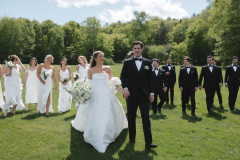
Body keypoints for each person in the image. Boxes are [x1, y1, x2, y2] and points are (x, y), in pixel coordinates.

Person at [72, 51, 128, 153]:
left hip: (107, 94)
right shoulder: (91, 70)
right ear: (95, 58)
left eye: (103, 56)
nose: (102, 58)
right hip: (95, 94)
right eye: (100, 56)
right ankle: (95, 133)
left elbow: (112, 82)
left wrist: (121, 91)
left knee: (107, 112)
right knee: (94, 113)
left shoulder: (108, 68)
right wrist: (83, 93)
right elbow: (88, 84)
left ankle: (106, 133)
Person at [120, 41, 158, 149]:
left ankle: (149, 142)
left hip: (144, 95)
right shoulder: (127, 62)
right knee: (131, 118)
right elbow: (123, 77)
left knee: (146, 118)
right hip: (131, 95)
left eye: (138, 48)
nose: (136, 50)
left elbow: (151, 79)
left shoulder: (148, 62)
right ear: (133, 50)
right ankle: (132, 140)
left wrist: (151, 93)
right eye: (135, 48)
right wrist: (125, 88)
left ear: (142, 49)